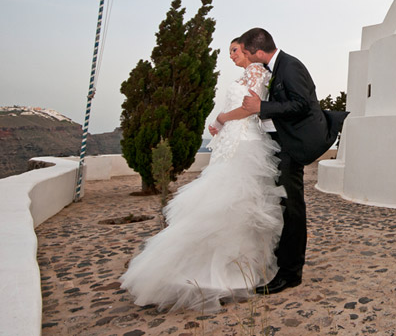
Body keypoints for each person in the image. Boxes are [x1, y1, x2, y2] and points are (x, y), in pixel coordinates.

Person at [119, 39, 285, 312]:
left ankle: (229, 272)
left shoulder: (256, 71)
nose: (231, 55)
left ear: (247, 49)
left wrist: (221, 119)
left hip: (245, 144)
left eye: (234, 50)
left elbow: (249, 108)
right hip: (230, 142)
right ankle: (205, 269)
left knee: (232, 202)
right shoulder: (244, 75)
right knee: (218, 200)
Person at [239, 27, 347, 294]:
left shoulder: (290, 66)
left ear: (259, 51)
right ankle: (282, 262)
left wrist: (261, 108)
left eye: (248, 54)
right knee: (283, 208)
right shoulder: (276, 67)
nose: (247, 58)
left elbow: (302, 104)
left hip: (293, 147)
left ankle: (290, 273)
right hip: (281, 144)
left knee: (293, 210)